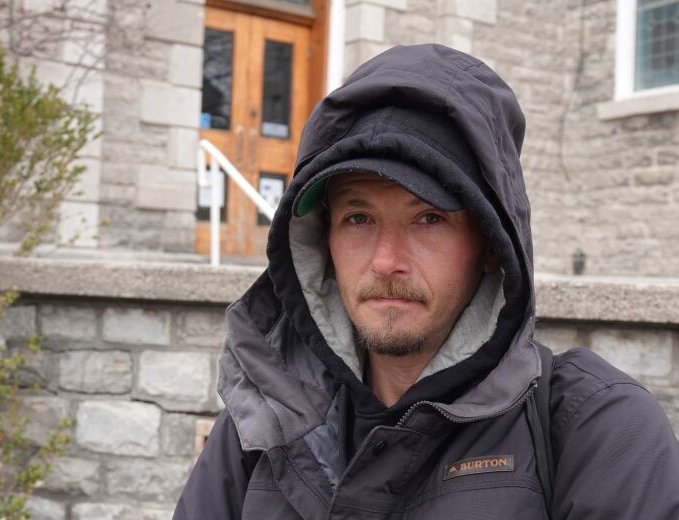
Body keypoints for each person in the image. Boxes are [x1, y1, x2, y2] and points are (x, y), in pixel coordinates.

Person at [173, 44, 679, 519]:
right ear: (320, 241)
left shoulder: (594, 428)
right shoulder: (261, 427)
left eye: (429, 219)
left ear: (489, 248)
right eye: (358, 218)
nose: (386, 261)